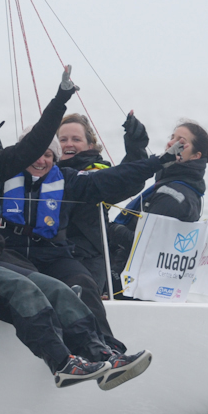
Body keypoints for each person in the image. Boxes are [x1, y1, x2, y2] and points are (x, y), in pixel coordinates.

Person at [0, 26, 151, 390]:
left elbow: (34, 144)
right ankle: (62, 363)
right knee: (23, 287)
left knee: (58, 288)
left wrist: (60, 99)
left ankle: (103, 356)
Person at [0, 131, 178, 352]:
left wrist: (158, 161)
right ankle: (66, 353)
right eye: (34, 153)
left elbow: (116, 176)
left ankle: (107, 350)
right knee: (40, 283)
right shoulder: (1, 174)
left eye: (47, 155)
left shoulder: (68, 179)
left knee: (84, 282)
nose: (40, 160)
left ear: (55, 158)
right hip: (10, 252)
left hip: (52, 253)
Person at [108, 121, 208, 282]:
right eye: (172, 137)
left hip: (130, 280)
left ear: (196, 156)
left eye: (181, 141)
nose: (171, 143)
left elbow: (146, 244)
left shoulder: (173, 195)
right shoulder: (181, 186)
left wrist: (111, 228)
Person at [56, 112, 149, 293]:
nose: (69, 144)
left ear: (90, 145)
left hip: (89, 260)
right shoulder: (43, 172)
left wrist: (135, 145)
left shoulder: (99, 175)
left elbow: (129, 179)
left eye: (76, 139)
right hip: (51, 256)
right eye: (63, 139)